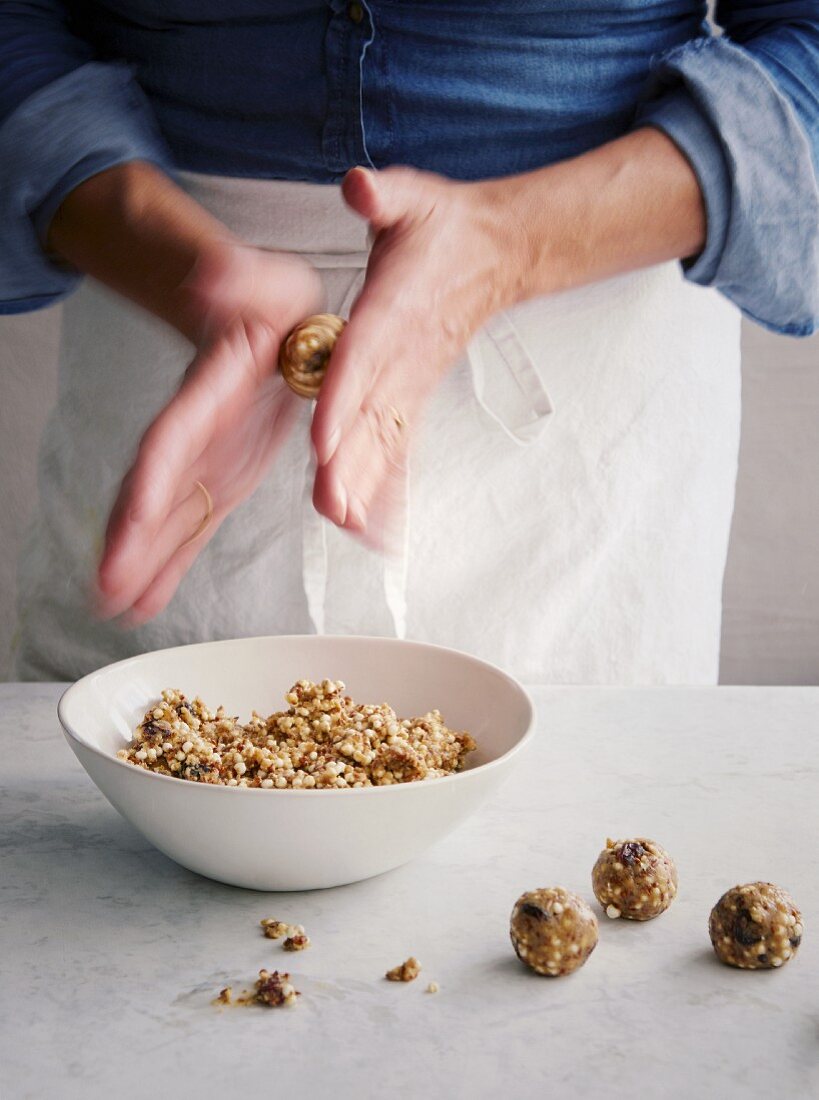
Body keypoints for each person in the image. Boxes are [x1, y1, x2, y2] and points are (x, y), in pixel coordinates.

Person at [1, 2, 816, 684]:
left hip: (583, 416)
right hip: (177, 345)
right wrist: (169, 257)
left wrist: (511, 244)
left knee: (574, 828)